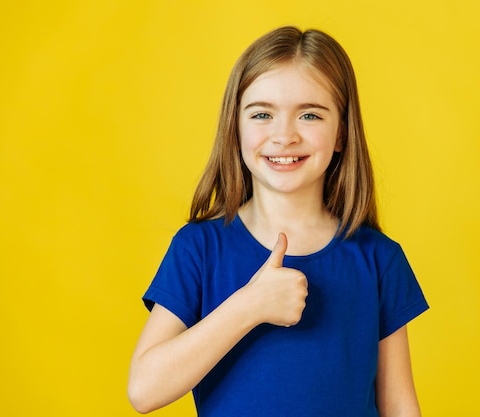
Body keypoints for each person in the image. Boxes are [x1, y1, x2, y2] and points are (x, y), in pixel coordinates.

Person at [128, 26, 429, 417]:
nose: (284, 136)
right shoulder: (198, 248)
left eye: (309, 115)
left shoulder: (379, 259)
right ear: (235, 129)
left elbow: (399, 404)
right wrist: (250, 306)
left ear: (341, 132)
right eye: (262, 114)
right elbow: (144, 391)